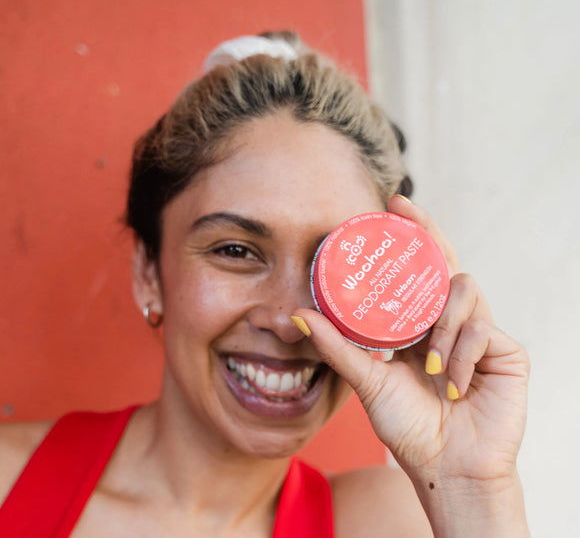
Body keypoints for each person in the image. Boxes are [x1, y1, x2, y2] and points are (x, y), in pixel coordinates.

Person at [0, 31, 530, 537]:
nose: (287, 321)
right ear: (148, 273)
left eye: (330, 266)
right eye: (236, 251)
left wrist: (471, 489)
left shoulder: (394, 524)